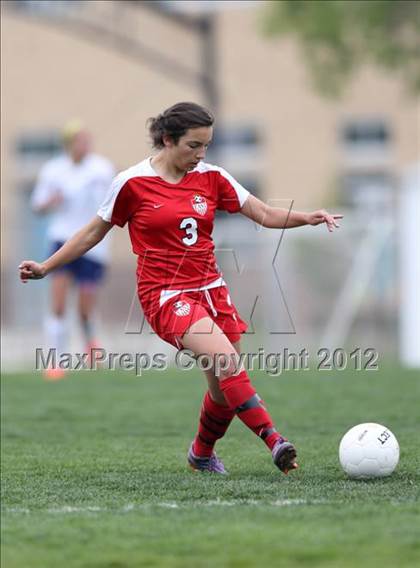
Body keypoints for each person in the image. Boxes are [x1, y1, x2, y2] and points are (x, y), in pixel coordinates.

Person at [20, 102, 342, 474]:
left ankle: (201, 454)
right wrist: (46, 266)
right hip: (166, 295)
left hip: (212, 290)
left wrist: (308, 217)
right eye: (193, 146)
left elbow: (264, 213)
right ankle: (275, 440)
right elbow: (93, 232)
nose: (200, 154)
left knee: (223, 392)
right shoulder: (131, 183)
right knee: (227, 361)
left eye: (206, 146)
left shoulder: (213, 177)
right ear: (167, 140)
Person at [30, 120, 115, 380]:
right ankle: (55, 360)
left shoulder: (102, 168)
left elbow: (114, 202)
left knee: (85, 308)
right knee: (58, 304)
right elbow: (37, 205)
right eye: (79, 141)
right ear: (69, 145)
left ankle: (91, 344)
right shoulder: (54, 170)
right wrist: (49, 202)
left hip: (92, 244)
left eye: (87, 140)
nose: (84, 145)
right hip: (63, 241)